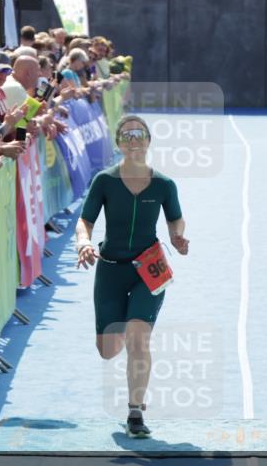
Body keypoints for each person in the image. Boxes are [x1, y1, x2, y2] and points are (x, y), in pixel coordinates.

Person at [75, 116, 189, 438]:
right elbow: (85, 221)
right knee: (109, 349)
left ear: (149, 141)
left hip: (149, 269)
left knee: (139, 340)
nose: (133, 140)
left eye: (139, 134)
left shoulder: (165, 185)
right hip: (111, 268)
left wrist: (178, 237)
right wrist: (84, 242)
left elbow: (176, 221)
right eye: (127, 135)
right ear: (119, 143)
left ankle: (135, 411)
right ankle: (126, 324)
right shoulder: (104, 181)